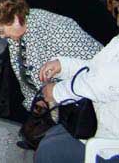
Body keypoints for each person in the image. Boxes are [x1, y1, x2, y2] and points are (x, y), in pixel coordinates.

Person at [0, 0, 101, 116]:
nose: (1, 36)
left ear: (15, 18)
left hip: (88, 108)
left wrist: (54, 93)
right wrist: (36, 101)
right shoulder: (17, 34)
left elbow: (96, 71)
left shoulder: (56, 29)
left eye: (0, 30)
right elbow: (25, 77)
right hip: (56, 106)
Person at [36, 34, 119, 162]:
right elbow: (94, 69)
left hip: (111, 144)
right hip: (100, 125)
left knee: (50, 150)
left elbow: (101, 84)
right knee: (52, 137)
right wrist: (62, 66)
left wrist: (57, 91)